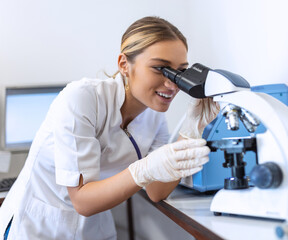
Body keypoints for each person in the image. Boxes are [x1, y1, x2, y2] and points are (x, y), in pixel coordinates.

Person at [0, 16, 219, 240]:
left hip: (94, 229)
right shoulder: (82, 99)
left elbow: (156, 191)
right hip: (39, 227)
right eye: (160, 68)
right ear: (124, 64)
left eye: (180, 72)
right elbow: (83, 201)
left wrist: (191, 130)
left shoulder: (154, 115)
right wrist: (144, 169)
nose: (172, 85)